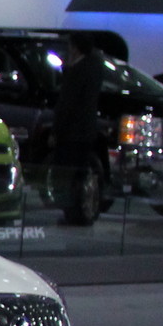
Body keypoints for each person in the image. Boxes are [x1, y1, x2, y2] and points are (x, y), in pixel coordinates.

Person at [51, 30, 108, 226]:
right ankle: (83, 211)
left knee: (68, 174)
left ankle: (72, 212)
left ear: (75, 47)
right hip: (87, 129)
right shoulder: (95, 67)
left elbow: (67, 103)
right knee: (81, 172)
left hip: (71, 132)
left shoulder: (77, 71)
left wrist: (56, 130)